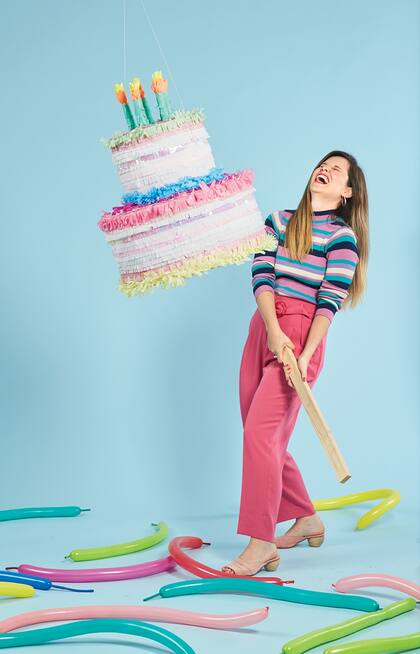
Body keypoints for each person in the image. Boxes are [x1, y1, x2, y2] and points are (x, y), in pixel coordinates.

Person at [221, 150, 368, 576]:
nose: (325, 170)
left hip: (303, 336)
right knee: (260, 436)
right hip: (264, 328)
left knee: (260, 435)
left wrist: (304, 353)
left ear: (347, 191)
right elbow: (261, 273)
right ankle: (306, 518)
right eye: (323, 164)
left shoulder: (342, 237)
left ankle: (261, 542)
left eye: (336, 170)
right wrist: (271, 328)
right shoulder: (277, 221)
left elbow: (329, 302)